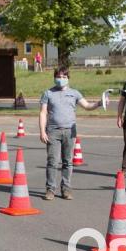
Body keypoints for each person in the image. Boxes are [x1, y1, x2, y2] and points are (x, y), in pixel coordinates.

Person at [39, 67, 102, 201]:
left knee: (68, 162)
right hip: (53, 131)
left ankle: (66, 188)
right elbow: (43, 113)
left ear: (68, 78)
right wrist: (42, 131)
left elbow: (87, 106)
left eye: (63, 76)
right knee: (52, 162)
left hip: (70, 132)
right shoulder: (48, 93)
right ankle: (50, 189)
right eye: (58, 76)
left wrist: (100, 103)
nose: (60, 79)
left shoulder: (74, 93)